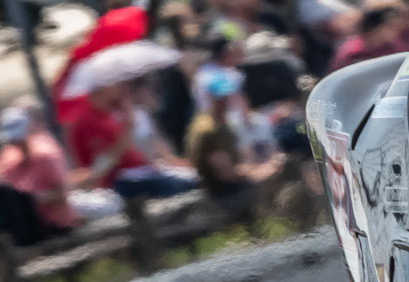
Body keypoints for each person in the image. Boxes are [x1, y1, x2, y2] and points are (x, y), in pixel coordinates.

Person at [67, 80, 199, 201]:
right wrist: (129, 128)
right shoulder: (86, 122)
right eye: (114, 82)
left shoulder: (110, 113)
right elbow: (100, 168)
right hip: (119, 182)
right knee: (183, 185)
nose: (121, 85)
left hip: (142, 172)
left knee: (194, 177)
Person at [186, 76, 284, 206]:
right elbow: (226, 174)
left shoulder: (225, 123)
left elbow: (241, 159)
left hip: (236, 182)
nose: (224, 102)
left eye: (225, 97)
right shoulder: (208, 130)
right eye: (219, 98)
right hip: (222, 194)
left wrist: (265, 167)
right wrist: (261, 172)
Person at [0, 106, 79, 235]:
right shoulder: (5, 159)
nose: (16, 143)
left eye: (18, 138)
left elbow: (63, 194)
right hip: (27, 227)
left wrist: (32, 200)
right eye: (13, 140)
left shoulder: (46, 154)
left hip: (57, 225)